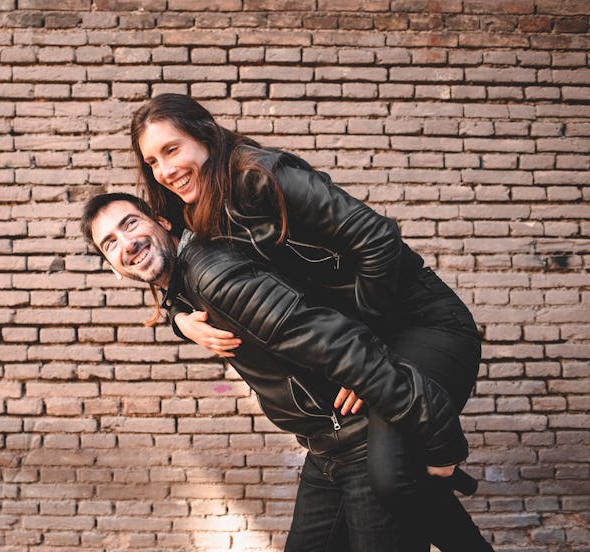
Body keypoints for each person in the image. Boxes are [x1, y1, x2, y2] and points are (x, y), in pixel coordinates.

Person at [128, 94, 491, 550]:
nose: (164, 169)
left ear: (205, 134)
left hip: (423, 320)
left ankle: (443, 485)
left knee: (393, 476)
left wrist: (369, 350)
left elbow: (379, 240)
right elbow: (175, 264)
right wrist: (179, 319)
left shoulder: (261, 176)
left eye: (172, 149)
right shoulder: (195, 204)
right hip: (369, 346)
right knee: (397, 479)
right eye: (153, 161)